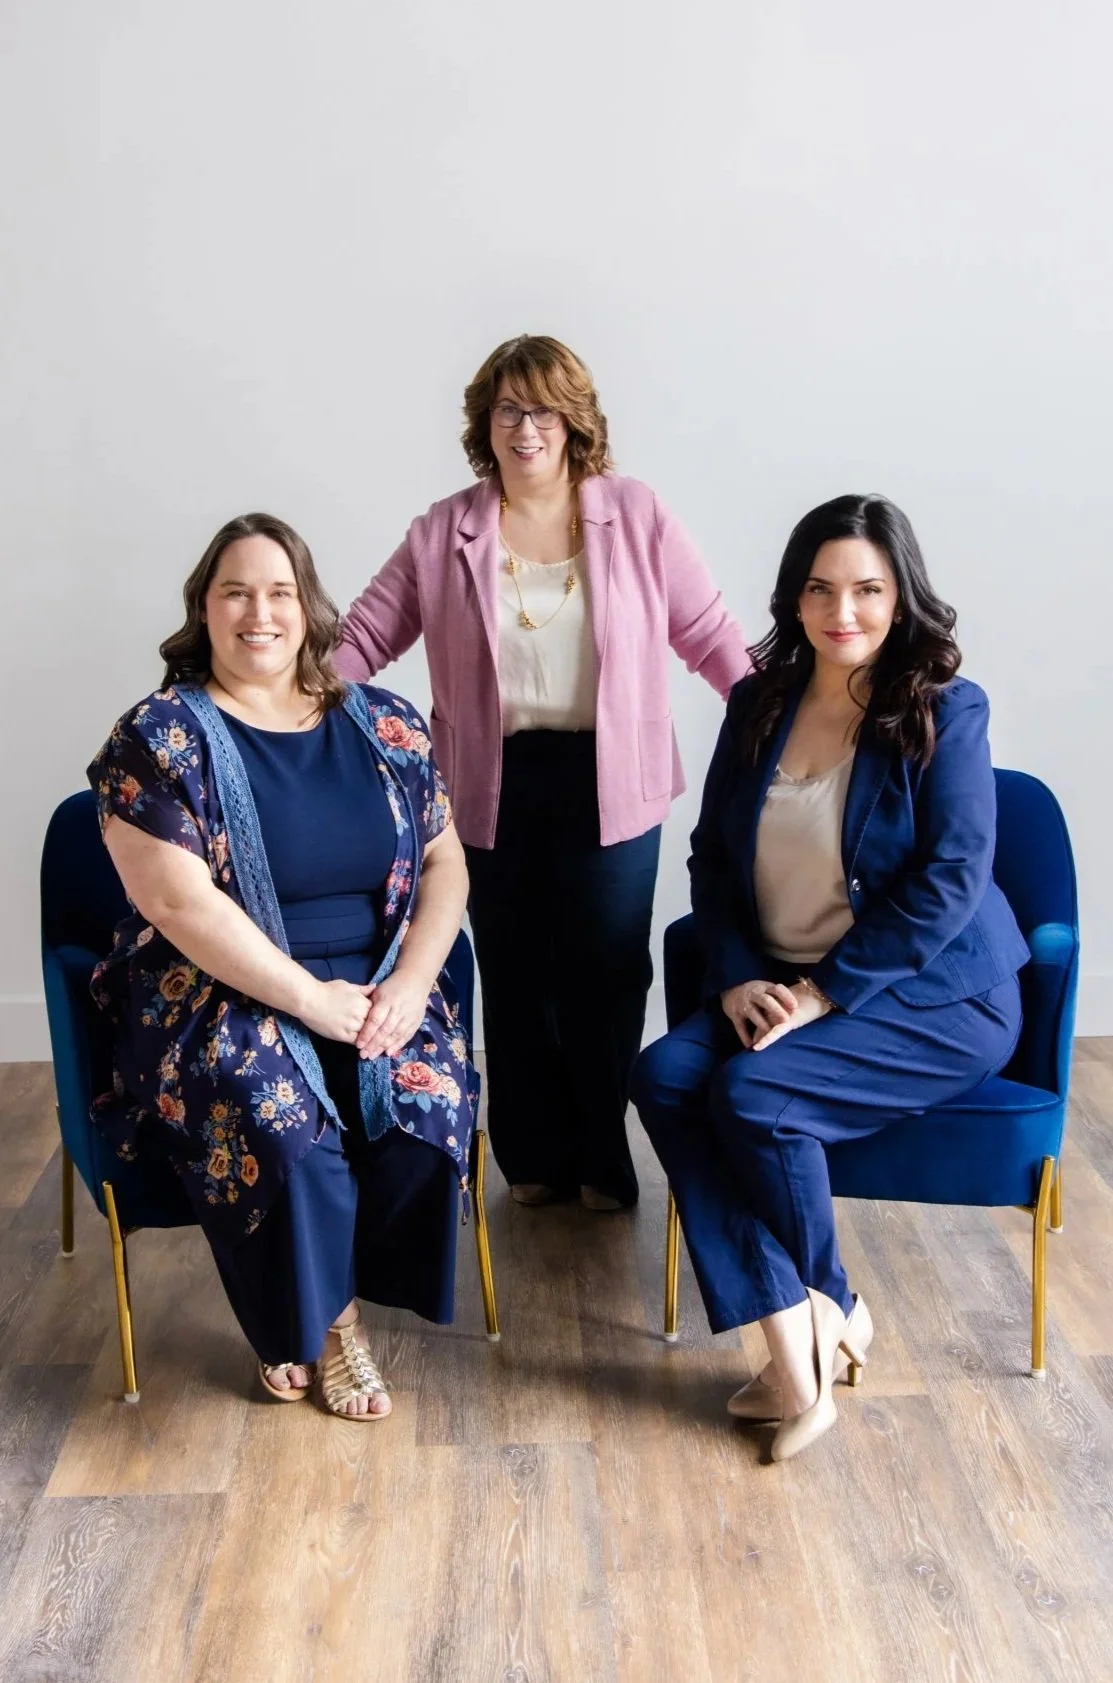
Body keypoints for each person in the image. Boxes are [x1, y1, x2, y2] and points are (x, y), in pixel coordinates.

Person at [630, 493, 1029, 1462]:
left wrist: (823, 994)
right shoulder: (759, 701)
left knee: (758, 1091)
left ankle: (821, 1321)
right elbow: (714, 860)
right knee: (667, 1074)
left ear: (901, 597)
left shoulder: (944, 708)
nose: (841, 610)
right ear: (794, 599)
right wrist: (732, 979)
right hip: (782, 982)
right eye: (820, 589)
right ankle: (808, 1323)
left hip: (935, 998)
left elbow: (951, 878)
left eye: (866, 589)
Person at [334, 334, 749, 1211]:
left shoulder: (634, 514)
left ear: (575, 421)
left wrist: (778, 725)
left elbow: (710, 635)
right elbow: (362, 639)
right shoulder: (443, 530)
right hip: (490, 780)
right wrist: (275, 707)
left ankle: (601, 1156)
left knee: (604, 971)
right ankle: (531, 1160)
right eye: (508, 409)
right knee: (516, 973)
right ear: (485, 422)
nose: (526, 428)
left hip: (614, 777)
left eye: (544, 409)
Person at [88, 513, 475, 1419]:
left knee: (429, 1102)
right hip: (217, 988)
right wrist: (308, 999)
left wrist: (410, 986)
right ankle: (329, 1327)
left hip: (377, 978)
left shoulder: (385, 722)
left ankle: (317, 1291)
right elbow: (177, 903)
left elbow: (445, 862)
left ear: (309, 609)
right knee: (280, 1120)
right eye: (235, 592)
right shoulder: (157, 737)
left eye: (279, 591)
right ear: (203, 610)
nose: (258, 612)